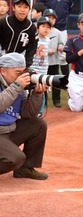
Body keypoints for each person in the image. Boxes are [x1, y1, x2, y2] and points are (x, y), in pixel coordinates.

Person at [0, 52, 48, 180]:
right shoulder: (17, 86)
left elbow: (28, 114)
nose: (21, 76)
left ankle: (25, 169)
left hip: (9, 130)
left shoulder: (19, 87)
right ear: (3, 71)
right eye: (17, 73)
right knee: (15, 158)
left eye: (23, 72)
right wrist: (17, 86)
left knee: (38, 125)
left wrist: (37, 94)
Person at [38, 0, 74, 106]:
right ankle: (43, 93)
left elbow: (69, 9)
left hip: (62, 29)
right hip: (47, 28)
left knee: (63, 58)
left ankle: (64, 86)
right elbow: (39, 8)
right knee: (45, 57)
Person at [0, 0, 37, 67]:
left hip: (19, 62)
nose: (22, 10)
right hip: (2, 58)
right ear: (13, 7)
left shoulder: (31, 27)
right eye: (19, 6)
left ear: (29, 9)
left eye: (25, 7)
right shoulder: (4, 22)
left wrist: (27, 65)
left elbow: (32, 48)